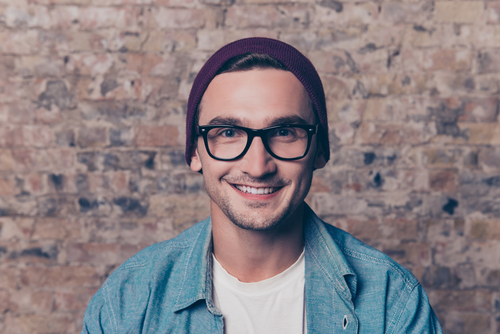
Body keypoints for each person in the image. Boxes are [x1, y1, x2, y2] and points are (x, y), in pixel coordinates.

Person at [82, 37, 442, 333]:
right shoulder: (128, 302)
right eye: (228, 132)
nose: (257, 166)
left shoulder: (392, 302)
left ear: (319, 150)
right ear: (194, 152)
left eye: (284, 132)